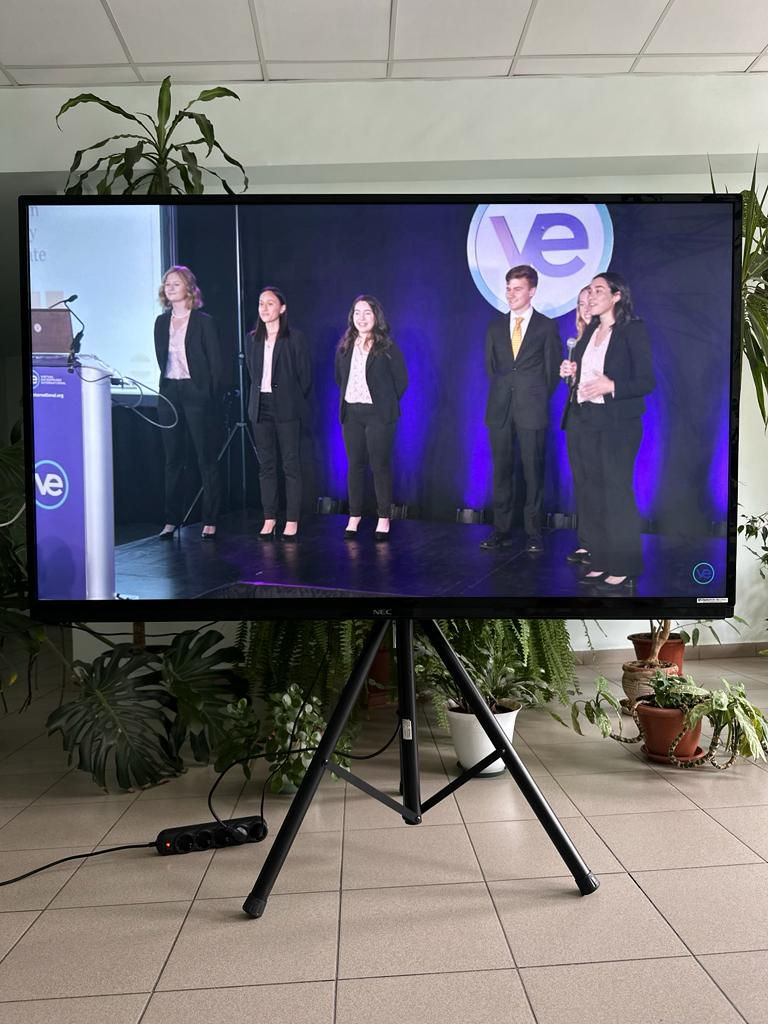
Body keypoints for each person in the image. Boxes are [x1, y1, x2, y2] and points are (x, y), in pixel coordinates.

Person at [559, 272, 655, 593]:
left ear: (617, 296)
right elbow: (583, 377)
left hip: (618, 423)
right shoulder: (590, 331)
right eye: (590, 290)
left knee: (616, 493)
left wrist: (611, 385)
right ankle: (600, 560)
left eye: (599, 290)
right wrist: (570, 374)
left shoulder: (632, 330)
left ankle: (624, 566)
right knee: (592, 494)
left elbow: (646, 381)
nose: (591, 296)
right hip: (585, 419)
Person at [481, 264, 561, 553]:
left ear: (532, 291)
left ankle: (533, 532)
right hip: (500, 409)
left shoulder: (546, 326)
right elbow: (491, 368)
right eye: (508, 288)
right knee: (501, 471)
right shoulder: (495, 326)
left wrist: (534, 397)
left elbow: (552, 373)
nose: (511, 294)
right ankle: (501, 529)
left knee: (532, 472)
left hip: (532, 409)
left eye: (517, 289)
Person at [154, 265, 221, 540]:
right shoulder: (161, 322)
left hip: (196, 393)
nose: (170, 288)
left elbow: (216, 364)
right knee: (172, 459)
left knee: (205, 458)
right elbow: (162, 360)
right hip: (170, 392)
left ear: (189, 288)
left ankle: (210, 519)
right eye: (167, 284)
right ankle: (171, 520)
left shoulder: (204, 321)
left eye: (176, 283)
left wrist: (207, 394)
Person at [335, 295, 407, 540]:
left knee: (379, 465)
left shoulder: (387, 347)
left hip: (378, 414)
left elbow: (401, 381)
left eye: (367, 313)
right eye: (357, 313)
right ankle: (354, 515)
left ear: (376, 317)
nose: (361, 318)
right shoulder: (345, 346)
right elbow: (339, 378)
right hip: (351, 413)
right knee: (354, 465)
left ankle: (383, 516)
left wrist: (384, 402)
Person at [245, 286, 311, 539]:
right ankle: (269, 518)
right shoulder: (252, 338)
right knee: (266, 466)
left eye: (270, 303)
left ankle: (292, 519)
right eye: (261, 303)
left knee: (290, 464)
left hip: (286, 406)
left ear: (282, 308)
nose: (264, 308)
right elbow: (252, 373)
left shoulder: (294, 338)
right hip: (260, 406)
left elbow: (304, 377)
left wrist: (290, 397)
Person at [562, 285, 593, 565]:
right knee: (582, 481)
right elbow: (577, 385)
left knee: (597, 482)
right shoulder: (579, 341)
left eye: (590, 301)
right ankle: (586, 542)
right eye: (580, 303)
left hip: (599, 419)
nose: (585, 307)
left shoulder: (609, 339)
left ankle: (601, 543)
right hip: (577, 417)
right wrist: (569, 376)